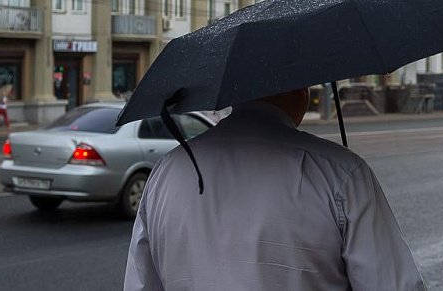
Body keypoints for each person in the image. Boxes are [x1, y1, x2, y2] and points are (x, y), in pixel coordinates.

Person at [124, 88, 425, 290]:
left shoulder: (166, 172)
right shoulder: (341, 172)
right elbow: (391, 283)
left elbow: (140, 282)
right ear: (300, 91)